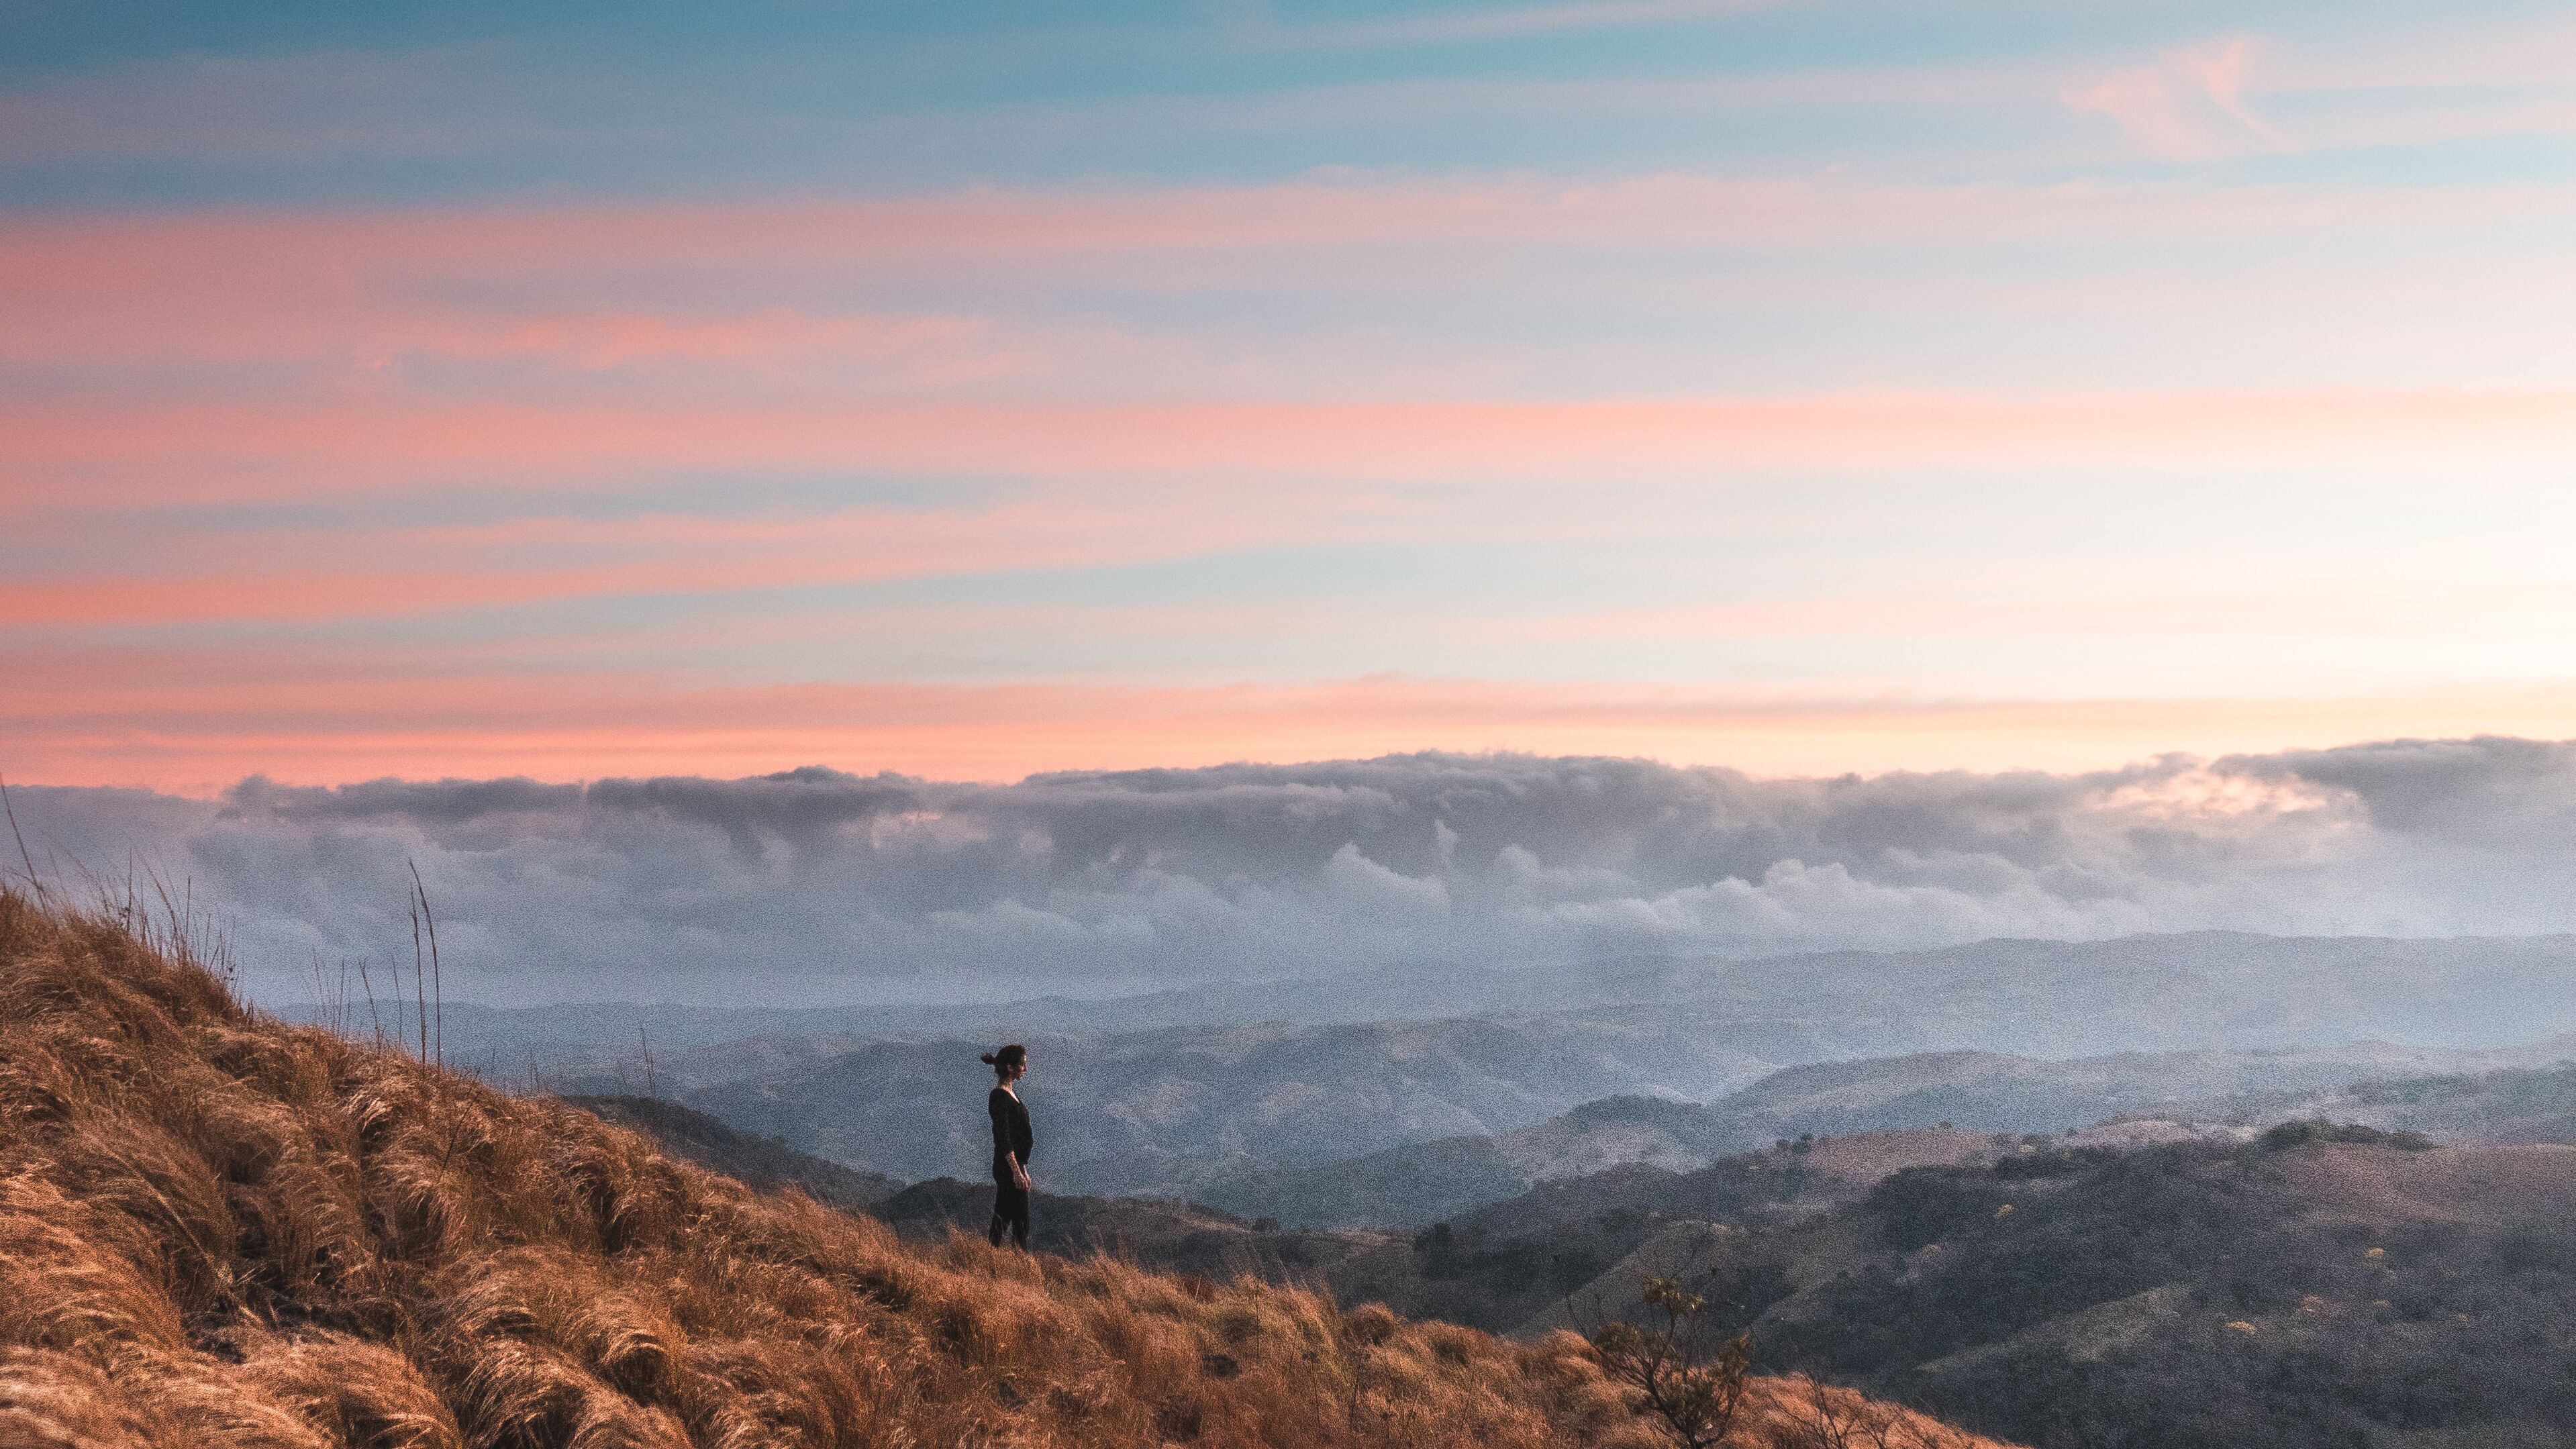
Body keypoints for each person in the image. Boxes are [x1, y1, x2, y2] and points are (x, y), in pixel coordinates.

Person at [982, 1044, 1033, 1249]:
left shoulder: (1010, 1094)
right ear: (1010, 1068)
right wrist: (1016, 1172)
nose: (1025, 1069)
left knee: (1002, 1217)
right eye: (1022, 1064)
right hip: (1007, 1168)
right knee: (1021, 1220)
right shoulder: (999, 1096)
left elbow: (1017, 1137)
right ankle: (1023, 1264)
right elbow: (1003, 1137)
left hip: (1014, 1166)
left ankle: (988, 1257)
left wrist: (1023, 1169)